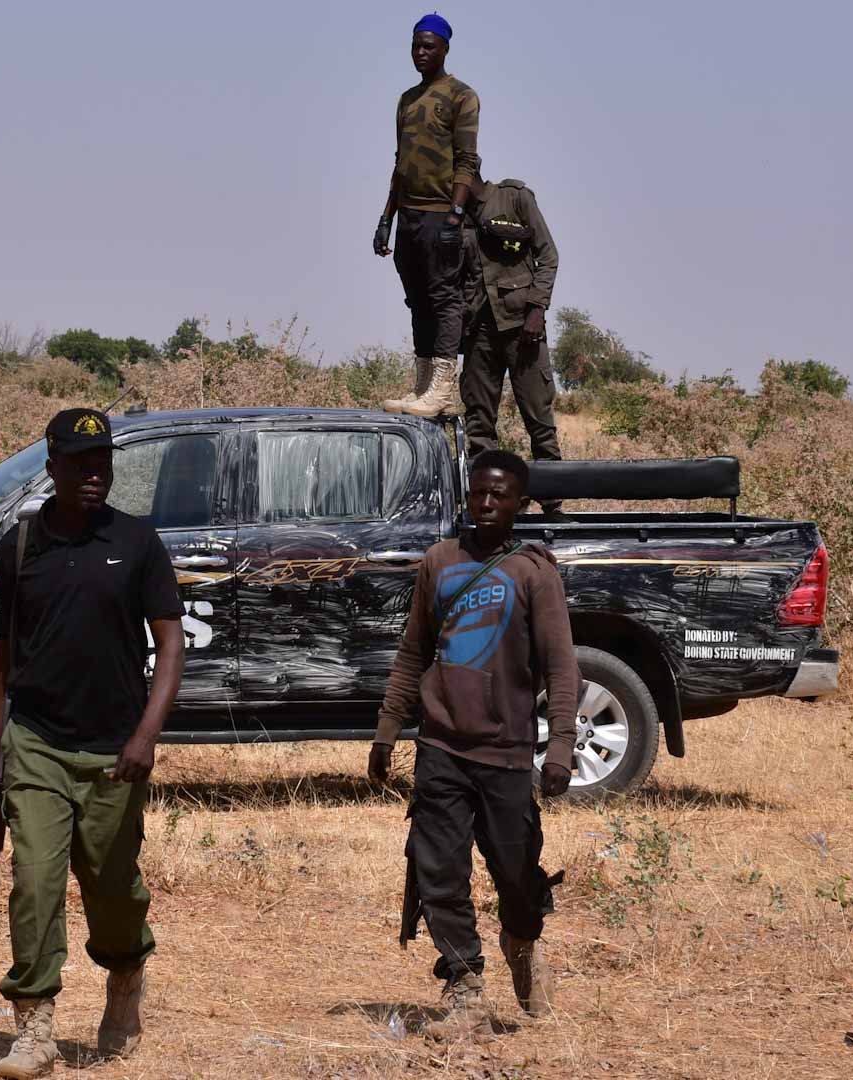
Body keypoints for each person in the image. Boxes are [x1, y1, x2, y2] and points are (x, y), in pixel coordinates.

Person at [0, 408, 186, 1079]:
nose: (94, 475)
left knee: (112, 889)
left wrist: (146, 736)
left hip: (115, 751)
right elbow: (6, 654)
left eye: (103, 463)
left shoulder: (138, 541)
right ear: (52, 469)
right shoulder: (19, 546)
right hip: (37, 741)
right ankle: (34, 1025)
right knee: (35, 881)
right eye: (79, 464)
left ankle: (125, 976)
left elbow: (171, 645)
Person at [367, 450, 578, 1037]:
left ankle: (522, 939)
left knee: (516, 871)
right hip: (441, 746)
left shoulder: (534, 572)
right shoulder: (439, 561)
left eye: (499, 496)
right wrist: (387, 730)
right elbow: (414, 651)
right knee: (438, 868)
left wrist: (560, 747)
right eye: (478, 493)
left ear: (519, 504)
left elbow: (562, 666)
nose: (486, 504)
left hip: (506, 750)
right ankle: (465, 985)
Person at [377, 12, 481, 419]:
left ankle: (442, 389)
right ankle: (421, 387)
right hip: (409, 216)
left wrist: (456, 214)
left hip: (441, 214)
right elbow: (400, 163)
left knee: (444, 298)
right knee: (418, 299)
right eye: (416, 45)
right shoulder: (406, 100)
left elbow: (466, 160)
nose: (420, 52)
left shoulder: (461, 96)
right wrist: (386, 219)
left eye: (428, 46)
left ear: (444, 49)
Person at [461, 176, 565, 516]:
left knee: (540, 421)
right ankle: (487, 508)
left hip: (523, 329)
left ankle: (552, 507)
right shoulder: (454, 215)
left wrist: (537, 309)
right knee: (479, 426)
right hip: (478, 330)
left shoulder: (514, 199)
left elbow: (548, 256)